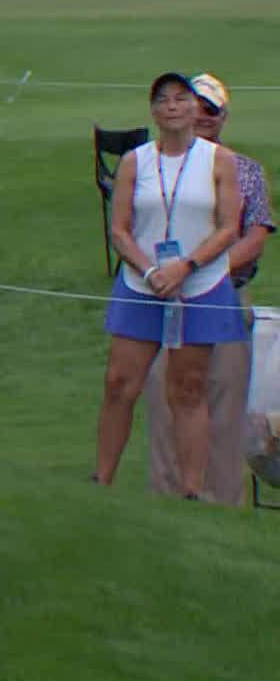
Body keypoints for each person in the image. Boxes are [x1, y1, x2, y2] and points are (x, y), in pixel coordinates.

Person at [92, 71, 244, 499]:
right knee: (120, 382)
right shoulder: (135, 162)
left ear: (196, 109)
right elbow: (120, 229)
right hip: (143, 284)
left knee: (188, 388)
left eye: (182, 99)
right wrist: (151, 270)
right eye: (163, 99)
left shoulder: (219, 160)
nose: (173, 106)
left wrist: (185, 267)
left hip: (199, 285)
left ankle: (190, 492)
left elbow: (228, 227)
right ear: (153, 111)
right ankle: (100, 481)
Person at [143, 72, 272, 504]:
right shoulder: (155, 168)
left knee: (224, 401)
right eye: (193, 105)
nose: (200, 115)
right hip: (167, 301)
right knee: (166, 397)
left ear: (222, 117)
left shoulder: (246, 172)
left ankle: (221, 503)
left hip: (224, 300)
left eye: (210, 109)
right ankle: (167, 497)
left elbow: (254, 239)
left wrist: (203, 273)